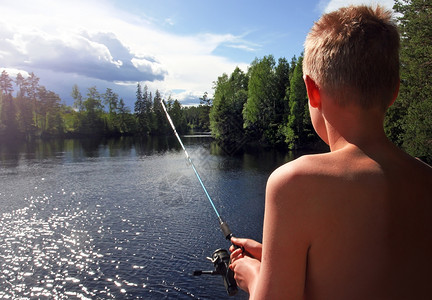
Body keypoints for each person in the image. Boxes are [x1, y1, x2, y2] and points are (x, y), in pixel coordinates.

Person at [229, 5, 432, 300]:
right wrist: (276, 259)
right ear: (394, 91)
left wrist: (253, 275)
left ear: (312, 91)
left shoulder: (295, 183)